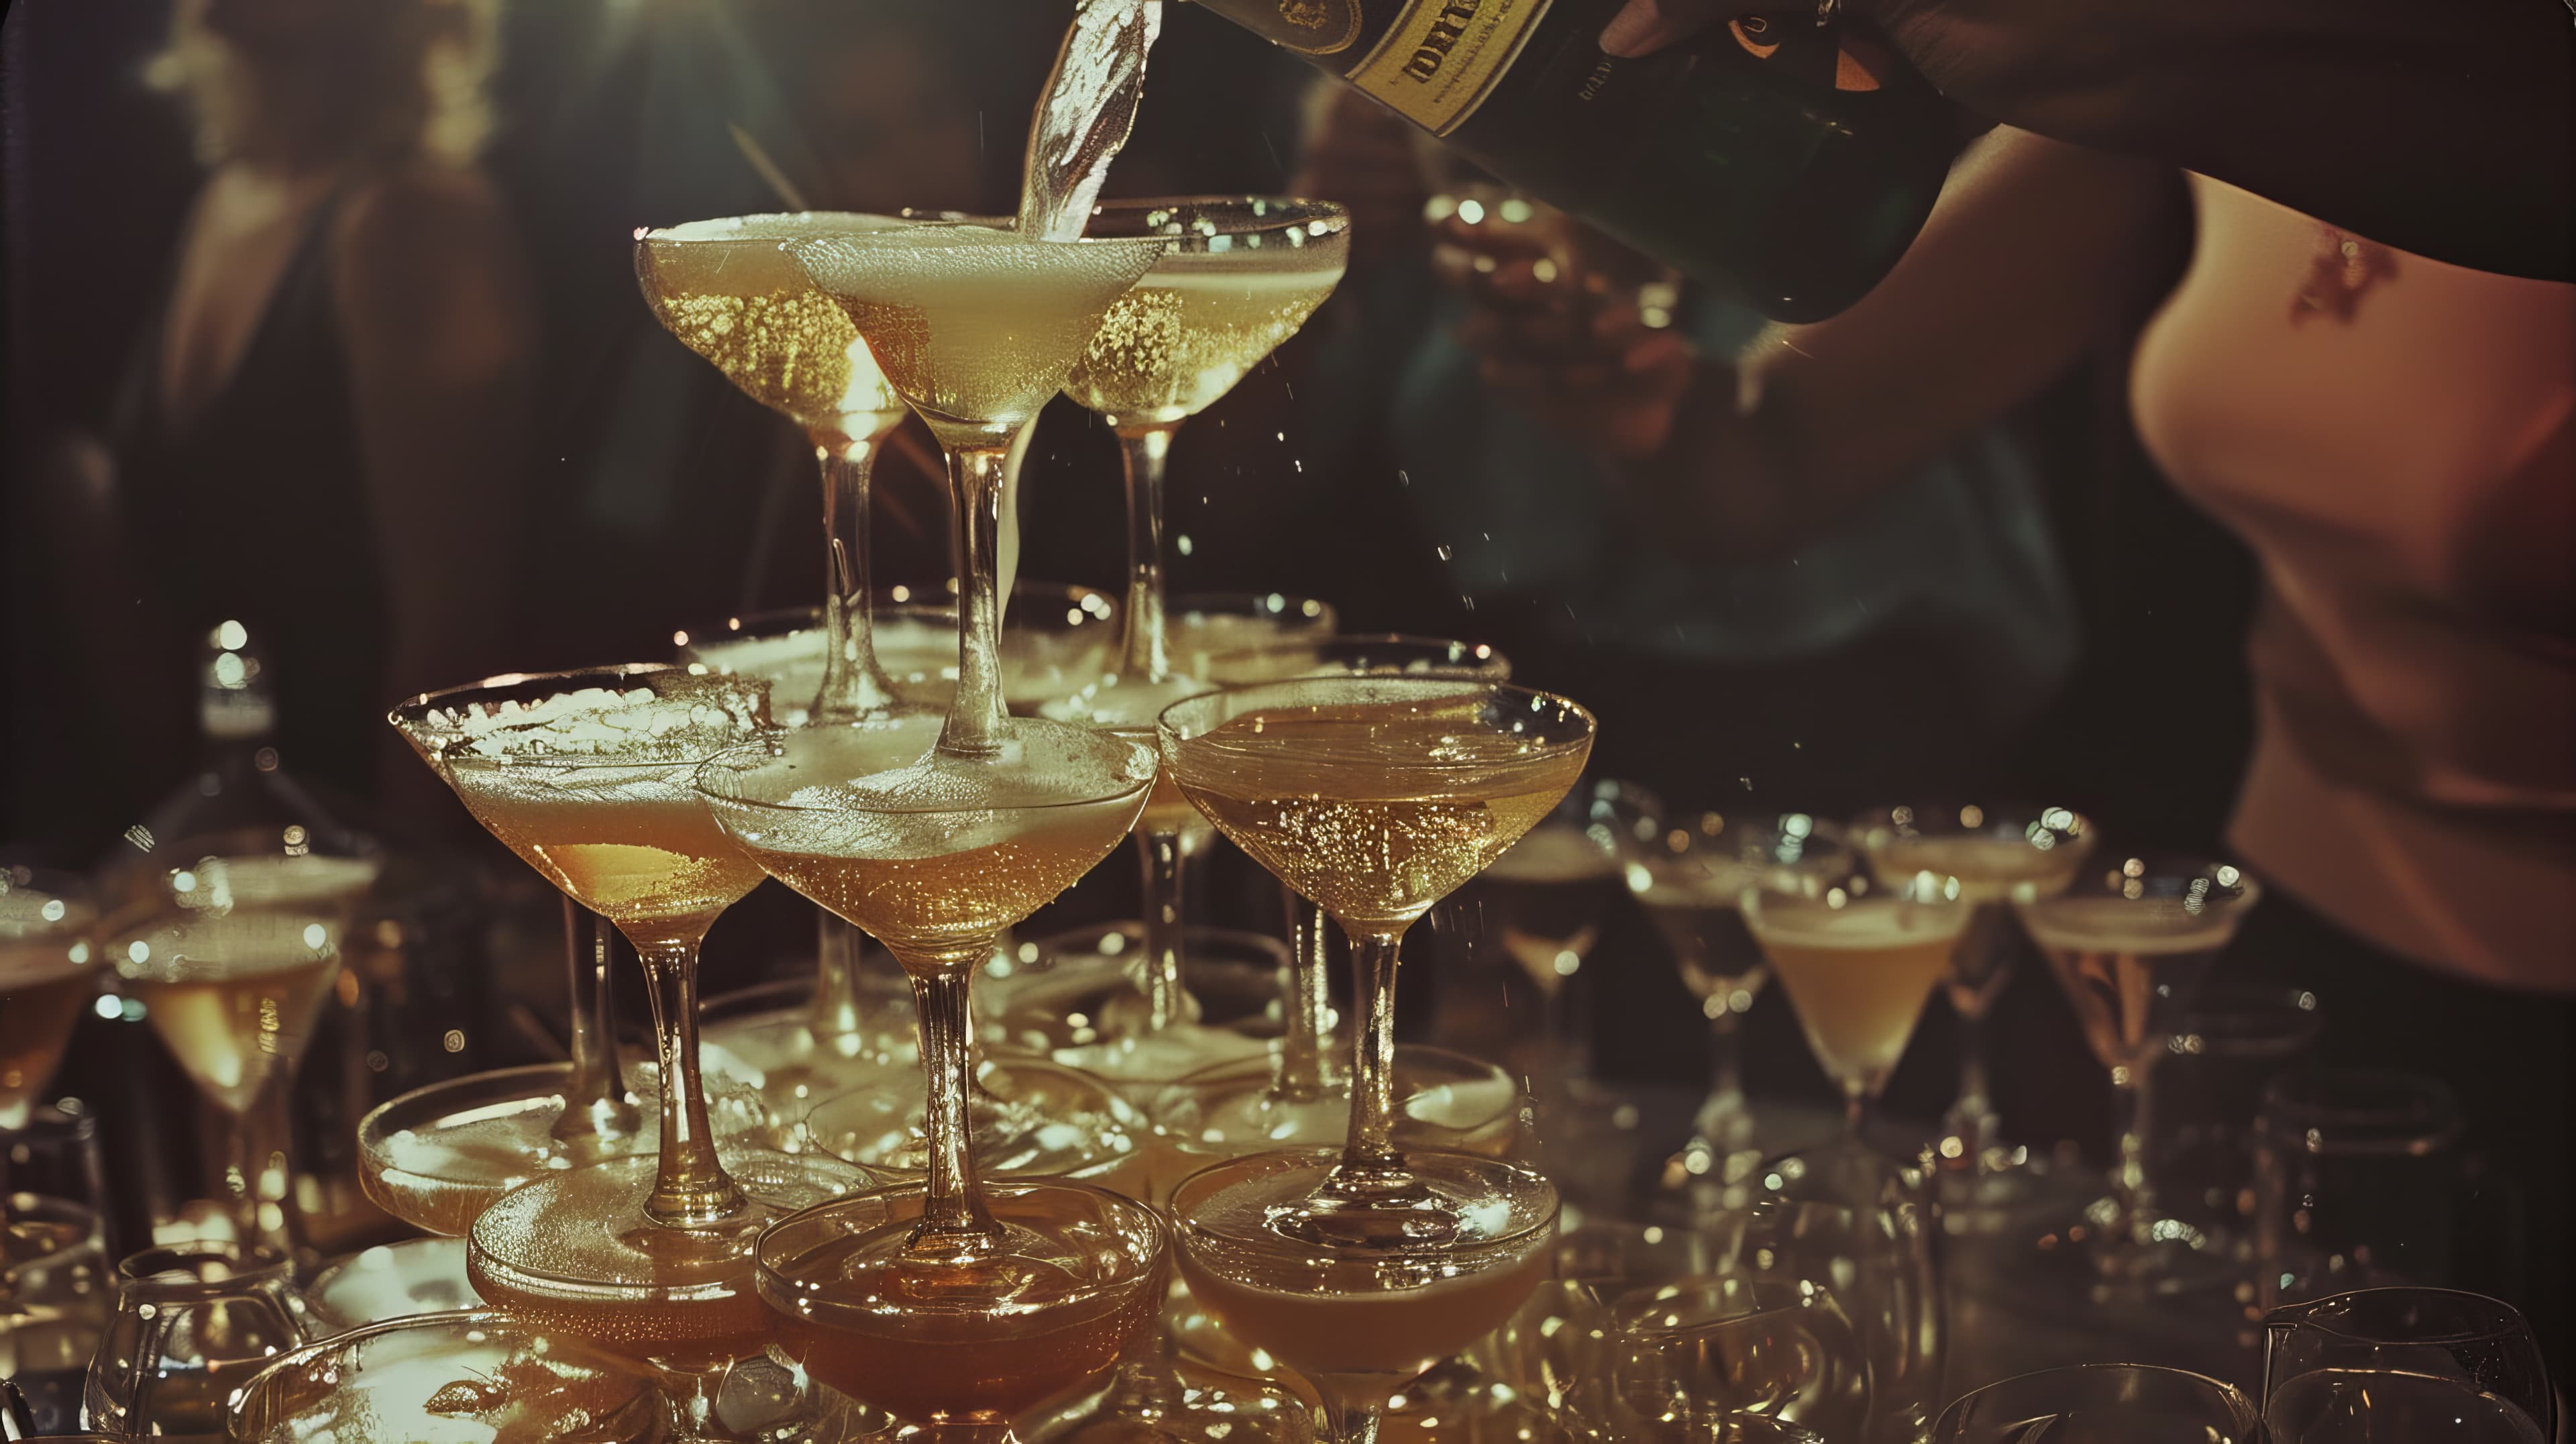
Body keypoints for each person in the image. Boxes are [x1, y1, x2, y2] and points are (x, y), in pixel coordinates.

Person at [43, 0, 533, 829]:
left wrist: (403, 908)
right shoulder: (224, 200)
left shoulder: (410, 223)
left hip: (357, 856)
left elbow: (451, 628)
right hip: (222, 850)